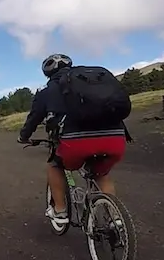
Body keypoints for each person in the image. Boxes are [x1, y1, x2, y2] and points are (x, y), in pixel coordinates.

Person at [16, 54, 132, 225]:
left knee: (54, 166)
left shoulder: (46, 93)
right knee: (101, 173)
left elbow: (33, 119)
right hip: (115, 137)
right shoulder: (93, 84)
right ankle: (115, 219)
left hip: (75, 142)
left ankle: (60, 211)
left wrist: (23, 137)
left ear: (47, 73)